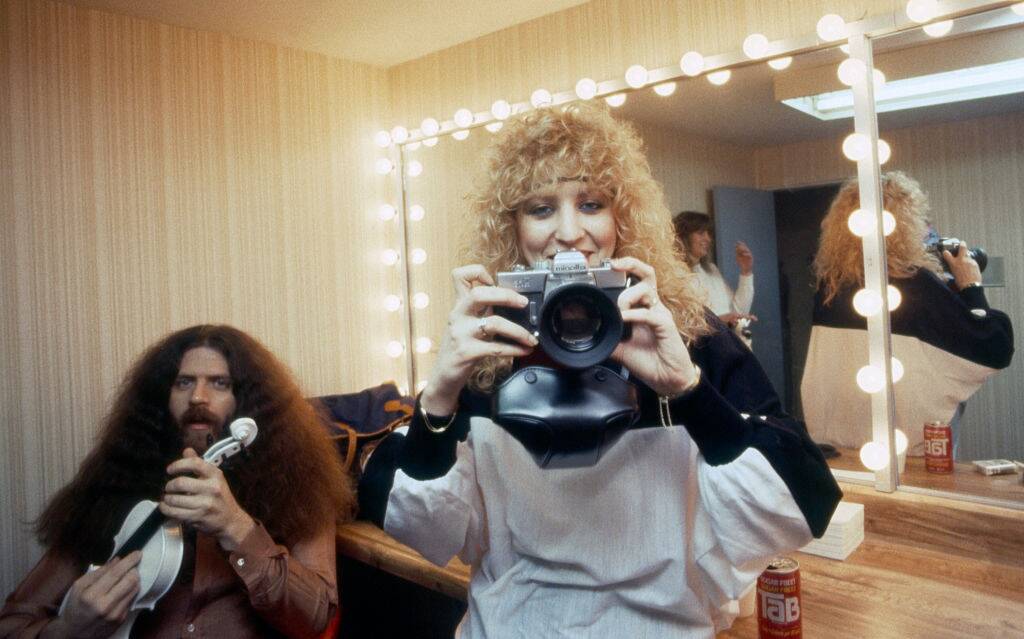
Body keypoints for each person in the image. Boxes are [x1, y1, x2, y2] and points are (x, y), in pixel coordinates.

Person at [358, 104, 841, 637]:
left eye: (591, 204)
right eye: (541, 208)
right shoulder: (491, 342)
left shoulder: (680, 329)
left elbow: (795, 510)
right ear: (513, 229)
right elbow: (427, 530)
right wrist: (441, 399)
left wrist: (687, 390)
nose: (570, 232)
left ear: (621, 219)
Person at [0, 325, 353, 638]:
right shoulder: (109, 489)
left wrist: (237, 528)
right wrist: (68, 630)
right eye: (183, 382)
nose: (198, 397)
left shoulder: (299, 486)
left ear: (249, 400)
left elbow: (316, 619)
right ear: (160, 397)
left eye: (220, 383)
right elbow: (13, 623)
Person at [802, 171, 1014, 456]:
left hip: (840, 450)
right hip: (906, 456)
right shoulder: (915, 285)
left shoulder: (830, 288)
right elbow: (992, 347)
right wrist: (971, 287)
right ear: (908, 224)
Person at [674, 211, 757, 343]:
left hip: (728, 345)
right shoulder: (674, 275)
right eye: (701, 233)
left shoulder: (712, 270)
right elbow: (682, 325)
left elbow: (739, 311)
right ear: (683, 237)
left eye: (708, 234)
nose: (708, 239)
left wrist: (746, 270)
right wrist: (720, 320)